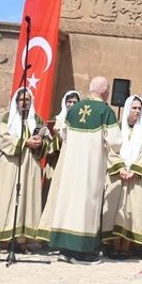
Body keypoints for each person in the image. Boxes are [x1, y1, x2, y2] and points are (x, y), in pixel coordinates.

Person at [36, 76, 121, 264]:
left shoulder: (73, 109)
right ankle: (82, 252)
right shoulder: (106, 111)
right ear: (105, 92)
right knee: (86, 207)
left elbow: (64, 133)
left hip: (71, 167)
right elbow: (115, 141)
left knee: (68, 205)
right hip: (91, 168)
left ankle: (65, 249)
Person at [0, 87, 48, 249]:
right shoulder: (8, 119)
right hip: (11, 165)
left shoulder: (37, 119)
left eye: (28, 100)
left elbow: (46, 140)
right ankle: (5, 238)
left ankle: (23, 239)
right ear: (16, 101)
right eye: (22, 100)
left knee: (27, 200)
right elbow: (2, 138)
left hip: (30, 166)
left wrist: (40, 142)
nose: (25, 103)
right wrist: (24, 142)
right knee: (8, 198)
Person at [103, 94, 142, 256]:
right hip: (118, 174)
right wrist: (120, 168)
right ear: (127, 109)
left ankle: (126, 247)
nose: (137, 111)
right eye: (134, 108)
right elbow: (110, 148)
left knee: (133, 209)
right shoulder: (116, 127)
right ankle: (114, 245)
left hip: (136, 177)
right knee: (116, 210)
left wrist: (134, 170)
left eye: (140, 108)